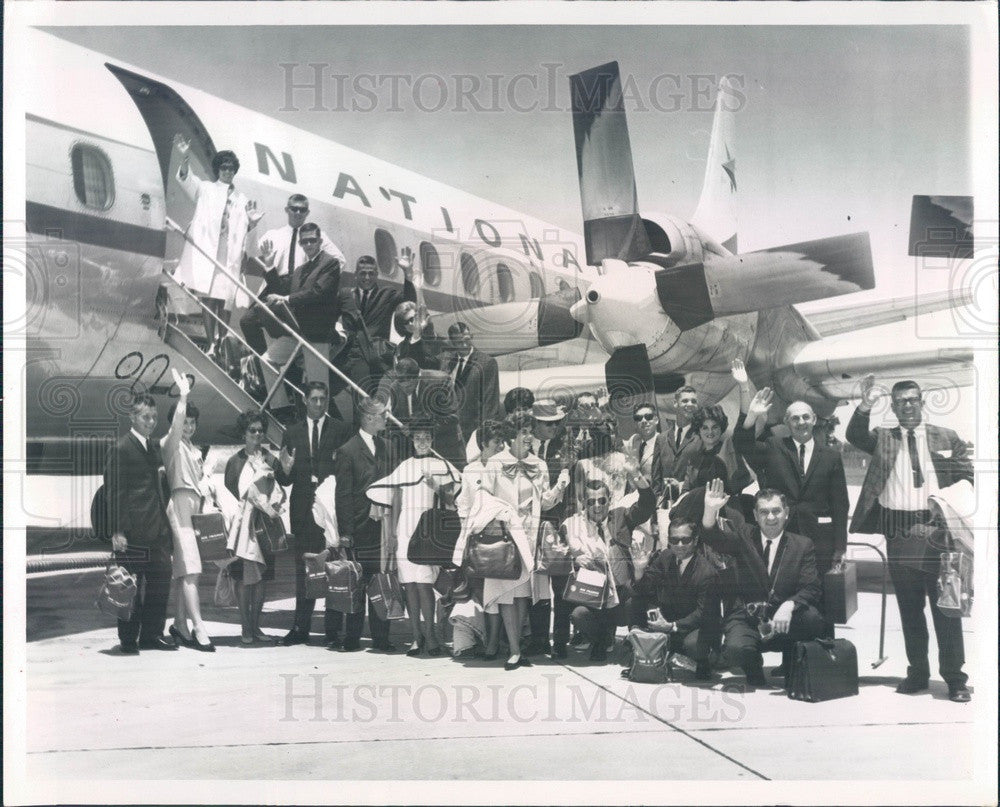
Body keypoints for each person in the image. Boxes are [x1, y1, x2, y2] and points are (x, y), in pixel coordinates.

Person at [846, 375, 973, 702]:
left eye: (912, 399)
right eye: (900, 401)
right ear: (894, 406)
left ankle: (955, 678)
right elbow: (854, 434)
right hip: (899, 530)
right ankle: (918, 672)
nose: (907, 405)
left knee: (947, 606)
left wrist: (947, 503)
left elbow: (968, 479)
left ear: (922, 401)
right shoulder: (884, 439)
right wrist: (864, 406)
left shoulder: (946, 437)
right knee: (910, 609)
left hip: (939, 531)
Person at [734, 385, 849, 634]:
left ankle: (822, 655)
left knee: (821, 596)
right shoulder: (774, 447)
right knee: (787, 595)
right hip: (784, 536)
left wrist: (841, 545)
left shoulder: (830, 456)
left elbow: (841, 504)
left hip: (820, 538)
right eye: (794, 418)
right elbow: (743, 444)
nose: (801, 422)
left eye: (805, 417)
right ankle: (790, 661)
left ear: (814, 420)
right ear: (786, 422)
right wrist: (750, 416)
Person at [701, 481, 825, 689]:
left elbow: (811, 587)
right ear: (756, 515)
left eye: (776, 511)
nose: (770, 518)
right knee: (734, 650)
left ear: (786, 512)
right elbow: (713, 538)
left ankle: (793, 659)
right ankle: (752, 665)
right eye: (764, 512)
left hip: (783, 619)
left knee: (812, 619)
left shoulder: (803, 545)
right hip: (749, 617)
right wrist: (710, 511)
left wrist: (789, 605)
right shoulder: (744, 537)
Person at [473, 413, 570, 670]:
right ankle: (515, 650)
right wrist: (498, 515)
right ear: (511, 436)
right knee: (506, 591)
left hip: (528, 535)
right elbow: (482, 495)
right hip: (504, 535)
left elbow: (546, 502)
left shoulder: (539, 464)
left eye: (530, 431)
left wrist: (560, 486)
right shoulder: (494, 463)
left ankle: (515, 647)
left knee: (523, 593)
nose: (529, 437)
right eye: (523, 432)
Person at [367, 421, 460, 656]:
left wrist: (435, 486)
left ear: (432, 440)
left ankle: (431, 637)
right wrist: (393, 534)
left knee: (425, 585)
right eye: (417, 438)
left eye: (426, 438)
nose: (421, 442)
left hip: (428, 530)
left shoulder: (441, 465)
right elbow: (396, 500)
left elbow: (451, 499)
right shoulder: (405, 466)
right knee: (409, 585)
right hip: (405, 528)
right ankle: (415, 637)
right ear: (412, 441)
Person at [273, 382, 354, 646]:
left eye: (323, 399)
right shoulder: (292, 432)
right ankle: (300, 627)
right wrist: (284, 469)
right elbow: (284, 480)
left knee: (332, 567)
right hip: (303, 511)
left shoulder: (340, 431)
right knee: (304, 570)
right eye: (314, 399)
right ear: (305, 400)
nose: (318, 404)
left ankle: (332, 630)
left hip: (329, 511)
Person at [173, 138, 263, 357]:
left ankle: (222, 341)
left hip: (230, 253)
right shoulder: (206, 189)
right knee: (209, 297)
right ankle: (211, 342)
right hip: (209, 249)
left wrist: (252, 223)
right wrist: (184, 157)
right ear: (217, 170)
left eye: (231, 168)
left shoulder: (242, 199)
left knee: (226, 299)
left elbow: (246, 232)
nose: (227, 171)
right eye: (223, 167)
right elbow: (186, 179)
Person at [103, 394, 176, 654]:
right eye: (146, 417)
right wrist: (118, 530)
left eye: (154, 417)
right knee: (129, 587)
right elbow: (114, 491)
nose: (151, 421)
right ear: (132, 417)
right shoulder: (121, 448)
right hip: (133, 530)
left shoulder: (153, 447)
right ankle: (128, 639)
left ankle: (152, 634)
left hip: (156, 529)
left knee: (160, 582)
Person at [563, 470, 656, 662]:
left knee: (636, 597)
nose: (597, 506)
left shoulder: (621, 516)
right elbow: (558, 553)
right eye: (591, 502)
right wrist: (574, 560)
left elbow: (646, 508)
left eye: (602, 500)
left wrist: (641, 483)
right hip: (595, 596)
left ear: (610, 500)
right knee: (579, 615)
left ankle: (636, 643)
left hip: (623, 594)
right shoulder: (575, 526)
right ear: (584, 503)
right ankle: (601, 638)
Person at [240, 222, 342, 392]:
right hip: (297, 333)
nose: (308, 244)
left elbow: (318, 292)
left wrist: (286, 298)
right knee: (267, 361)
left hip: (317, 335)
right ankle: (281, 409)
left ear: (320, 241)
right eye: (305, 242)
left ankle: (319, 418)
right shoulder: (301, 270)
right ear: (301, 244)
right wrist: (270, 266)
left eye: (312, 240)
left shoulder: (330, 264)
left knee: (317, 386)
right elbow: (281, 289)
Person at [334, 396, 394, 652]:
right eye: (382, 414)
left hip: (384, 527)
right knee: (357, 582)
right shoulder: (348, 451)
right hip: (360, 526)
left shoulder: (388, 447)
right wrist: (345, 532)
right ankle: (352, 637)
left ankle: (381, 637)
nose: (386, 418)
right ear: (369, 418)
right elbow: (343, 495)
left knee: (381, 579)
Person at [161, 371, 215, 651]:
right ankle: (199, 628)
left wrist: (206, 476)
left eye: (193, 423)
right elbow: (177, 425)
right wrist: (184, 394)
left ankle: (180, 625)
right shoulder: (170, 445)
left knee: (184, 571)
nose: (189, 427)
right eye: (185, 422)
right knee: (192, 569)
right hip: (180, 503)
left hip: (194, 504)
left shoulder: (192, 449)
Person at [223, 410, 285, 645]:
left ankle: (257, 626)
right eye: (252, 430)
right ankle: (245, 625)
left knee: (262, 578)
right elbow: (229, 493)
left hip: (266, 526)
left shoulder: (270, 459)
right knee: (242, 577)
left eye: (260, 430)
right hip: (243, 529)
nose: (257, 434)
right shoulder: (234, 462)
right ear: (244, 433)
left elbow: (281, 488)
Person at [632, 519, 720, 680]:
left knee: (693, 645)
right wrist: (639, 570)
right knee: (633, 602)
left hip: (694, 627)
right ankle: (644, 653)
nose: (679, 545)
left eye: (685, 540)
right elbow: (645, 589)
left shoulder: (707, 573)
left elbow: (703, 613)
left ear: (695, 541)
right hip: (668, 620)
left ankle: (704, 660)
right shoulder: (665, 557)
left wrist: (671, 626)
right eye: (674, 540)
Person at [379, 358, 465, 471]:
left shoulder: (441, 381)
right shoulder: (395, 387)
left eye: (409, 387)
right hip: (415, 456)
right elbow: (397, 422)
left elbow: (452, 417)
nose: (405, 391)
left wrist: (418, 425)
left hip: (445, 448)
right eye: (402, 387)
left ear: (418, 377)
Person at [255, 194, 342, 290]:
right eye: (294, 209)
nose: (298, 212)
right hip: (273, 284)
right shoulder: (273, 235)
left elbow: (339, 260)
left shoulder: (317, 236)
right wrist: (251, 226)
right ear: (287, 210)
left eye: (302, 210)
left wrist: (314, 281)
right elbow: (251, 252)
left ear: (307, 213)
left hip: (300, 289)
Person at [445, 322, 503, 442]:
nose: (465, 344)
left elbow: (490, 404)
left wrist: (484, 435)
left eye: (467, 339)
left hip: (473, 434)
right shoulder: (447, 362)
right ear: (452, 343)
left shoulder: (487, 363)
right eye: (459, 342)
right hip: (450, 433)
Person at [623, 402, 673, 506]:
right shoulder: (634, 441)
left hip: (653, 501)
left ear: (656, 420)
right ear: (635, 423)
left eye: (648, 417)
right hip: (632, 502)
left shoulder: (665, 443)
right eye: (638, 418)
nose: (644, 421)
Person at [674, 405, 731, 492]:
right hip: (697, 504)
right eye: (705, 428)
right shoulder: (694, 460)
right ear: (699, 430)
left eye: (714, 427)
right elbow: (686, 490)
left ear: (721, 428)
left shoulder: (729, 452)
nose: (710, 432)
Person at [662, 385, 703, 481]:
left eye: (694, 401)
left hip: (690, 494)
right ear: (675, 403)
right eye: (685, 401)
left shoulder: (702, 437)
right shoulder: (661, 438)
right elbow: (656, 477)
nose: (690, 404)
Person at [393, 300, 440, 370]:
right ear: (402, 326)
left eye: (412, 319)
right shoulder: (401, 348)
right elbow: (411, 368)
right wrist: (416, 337)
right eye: (405, 322)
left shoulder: (434, 339)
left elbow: (434, 364)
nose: (410, 323)